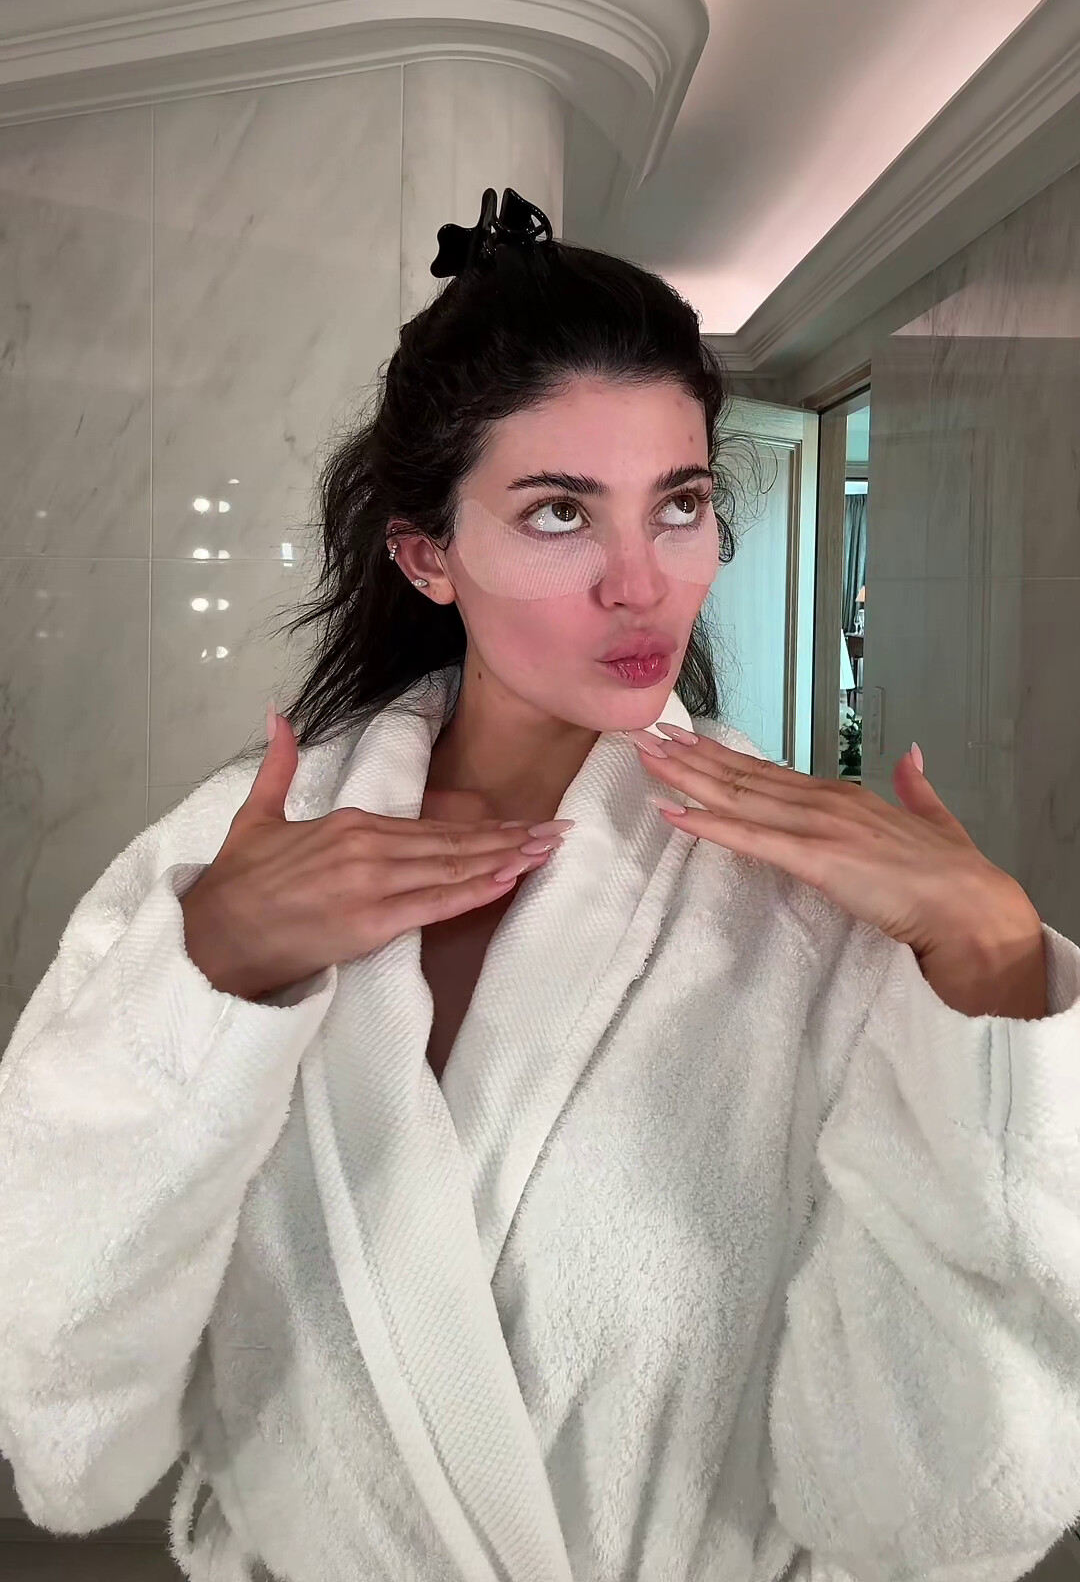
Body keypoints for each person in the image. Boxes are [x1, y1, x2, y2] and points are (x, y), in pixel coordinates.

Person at [1, 189, 1079, 1582]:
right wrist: (201, 983)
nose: (642, 583)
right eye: (562, 511)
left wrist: (995, 964)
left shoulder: (816, 912)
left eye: (680, 504)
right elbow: (60, 1410)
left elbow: (935, 1506)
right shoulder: (232, 869)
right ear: (427, 555)